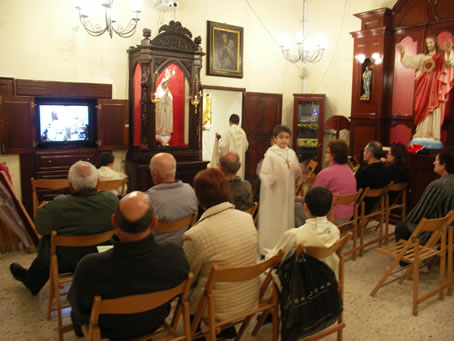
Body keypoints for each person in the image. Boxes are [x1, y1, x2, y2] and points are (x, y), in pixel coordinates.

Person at [68, 191, 189, 339]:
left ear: (114, 221)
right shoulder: (174, 254)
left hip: (108, 329)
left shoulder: (90, 266)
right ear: (154, 223)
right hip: (154, 321)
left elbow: (78, 305)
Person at [9, 161, 118, 295]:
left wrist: (44, 210)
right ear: (98, 182)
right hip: (103, 256)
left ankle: (31, 280)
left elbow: (40, 228)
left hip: (65, 263)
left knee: (48, 240)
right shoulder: (111, 200)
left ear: (70, 185)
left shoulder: (58, 206)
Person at [183, 168, 258, 338]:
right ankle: (226, 328)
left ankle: (196, 334)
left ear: (199, 198)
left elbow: (188, 277)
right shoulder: (247, 219)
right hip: (248, 296)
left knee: (185, 288)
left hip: (216, 305)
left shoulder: (195, 235)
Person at [268, 186, 340, 273]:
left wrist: (268, 255)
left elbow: (275, 259)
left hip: (301, 281)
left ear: (305, 207)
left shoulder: (294, 234)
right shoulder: (335, 230)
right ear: (330, 209)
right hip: (328, 276)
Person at [397, 36, 454, 141]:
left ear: (435, 43)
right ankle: (421, 132)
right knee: (422, 105)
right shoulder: (423, 57)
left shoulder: (441, 57)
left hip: (436, 85)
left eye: (431, 42)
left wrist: (449, 51)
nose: (429, 45)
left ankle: (432, 133)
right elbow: (409, 61)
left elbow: (450, 62)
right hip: (423, 86)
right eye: (427, 43)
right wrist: (402, 53)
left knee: (434, 106)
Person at [395, 146, 454, 244]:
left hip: (437, 233)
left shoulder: (438, 185)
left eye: (436, 160)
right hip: (450, 230)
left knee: (402, 227)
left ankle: (405, 259)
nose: (434, 163)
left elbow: (418, 214)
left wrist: (407, 220)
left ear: (443, 165)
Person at [258, 125, 301, 257]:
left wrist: (298, 171)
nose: (284, 140)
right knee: (273, 218)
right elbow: (264, 174)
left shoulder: (291, 153)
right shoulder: (270, 154)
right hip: (273, 193)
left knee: (286, 216)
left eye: (287, 137)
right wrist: (272, 178)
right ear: (275, 139)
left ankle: (285, 245)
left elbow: (295, 169)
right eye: (281, 137)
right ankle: (269, 245)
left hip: (287, 193)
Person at [146, 153, 198, 246]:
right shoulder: (190, 191)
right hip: (183, 249)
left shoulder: (147, 200)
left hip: (155, 252)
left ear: (154, 173)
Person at [310, 139, 357, 225]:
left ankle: (311, 235)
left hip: (331, 216)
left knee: (295, 208)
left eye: (327, 152)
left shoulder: (326, 173)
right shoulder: (350, 171)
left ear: (333, 156)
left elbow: (311, 198)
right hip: (348, 216)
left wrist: (297, 198)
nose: (325, 154)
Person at [355, 141, 390, 214]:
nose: (363, 153)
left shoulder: (364, 172)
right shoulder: (386, 170)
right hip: (373, 207)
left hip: (358, 209)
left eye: (365, 151)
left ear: (369, 154)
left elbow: (354, 190)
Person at [216, 114, 249, 179]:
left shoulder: (228, 131)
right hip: (239, 160)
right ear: (238, 123)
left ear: (229, 122)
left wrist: (219, 138)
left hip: (230, 161)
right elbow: (246, 146)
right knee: (239, 178)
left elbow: (223, 146)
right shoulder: (242, 132)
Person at [155, 71, 173, 145]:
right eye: (165, 84)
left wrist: (167, 96)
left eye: (167, 84)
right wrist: (163, 96)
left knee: (167, 121)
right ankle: (161, 135)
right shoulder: (159, 91)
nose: (166, 85)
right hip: (161, 110)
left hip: (167, 110)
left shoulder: (168, 91)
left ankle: (166, 135)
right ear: (162, 84)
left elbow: (171, 99)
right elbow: (157, 99)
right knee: (161, 121)